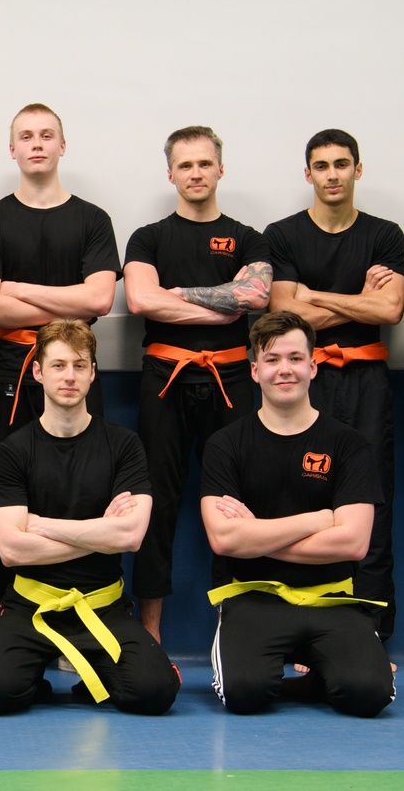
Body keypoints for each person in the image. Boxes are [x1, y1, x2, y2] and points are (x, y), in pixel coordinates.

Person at [0, 319, 177, 716]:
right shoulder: (14, 451)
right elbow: (11, 550)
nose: (69, 376)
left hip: (102, 604)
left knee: (155, 692)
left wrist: (42, 526)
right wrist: (101, 533)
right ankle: (34, 679)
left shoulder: (123, 445)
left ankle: (96, 674)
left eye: (80, 365)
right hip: (31, 605)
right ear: (38, 372)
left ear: (93, 372)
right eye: (59, 365)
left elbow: (131, 537)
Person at [203, 311, 393, 718]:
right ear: (255, 371)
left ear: (313, 365)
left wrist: (256, 536)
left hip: (332, 598)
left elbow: (354, 543)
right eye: (271, 360)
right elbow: (223, 539)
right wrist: (319, 519)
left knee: (369, 695)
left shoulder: (348, 445)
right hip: (254, 598)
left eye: (295, 358)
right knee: (244, 694)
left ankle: (316, 680)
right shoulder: (225, 445)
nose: (284, 369)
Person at [122, 126, 271, 642]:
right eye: (185, 165)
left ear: (220, 169)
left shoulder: (248, 237)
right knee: (156, 502)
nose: (196, 173)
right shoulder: (148, 237)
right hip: (165, 378)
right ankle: (150, 633)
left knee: (236, 500)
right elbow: (140, 300)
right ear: (170, 174)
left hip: (231, 376)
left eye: (205, 163)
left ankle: (238, 630)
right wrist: (221, 305)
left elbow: (256, 297)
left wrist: (179, 294)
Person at [0, 103, 120, 610]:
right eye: (27, 136)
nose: (37, 143)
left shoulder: (92, 220)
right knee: (7, 490)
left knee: (85, 485)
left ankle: (88, 603)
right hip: (10, 369)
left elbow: (100, 299)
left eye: (47, 135)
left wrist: (20, 289)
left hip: (76, 368)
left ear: (62, 145)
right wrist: (66, 299)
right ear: (12, 149)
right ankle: (5, 614)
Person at [263, 128, 404, 641]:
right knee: (301, 500)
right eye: (321, 166)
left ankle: (370, 633)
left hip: (368, 381)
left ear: (357, 170)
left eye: (341, 164)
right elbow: (283, 316)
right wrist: (357, 300)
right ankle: (304, 632)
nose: (332, 175)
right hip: (304, 381)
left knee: (371, 500)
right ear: (308, 174)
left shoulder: (384, 234)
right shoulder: (282, 234)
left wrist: (314, 296)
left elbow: (390, 309)